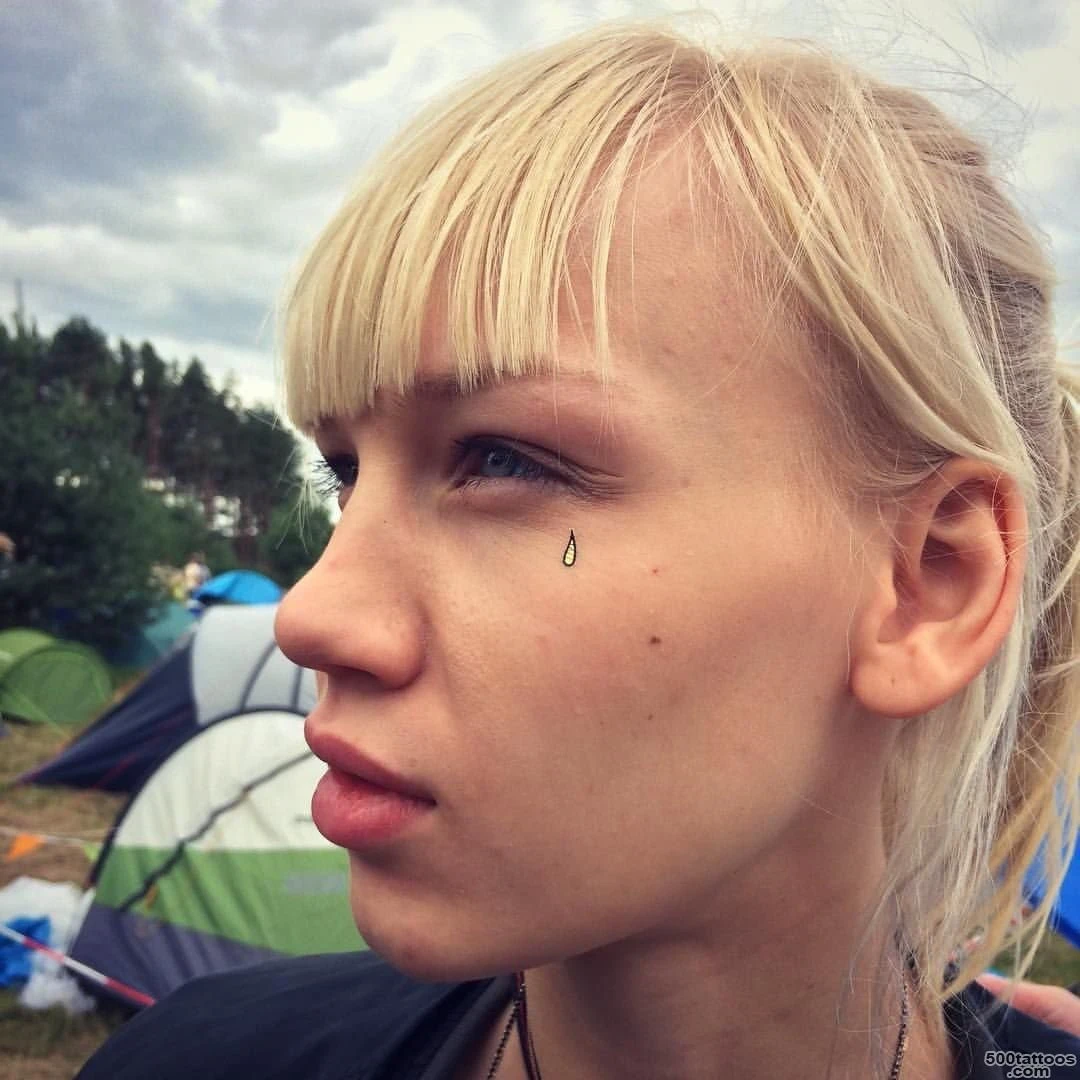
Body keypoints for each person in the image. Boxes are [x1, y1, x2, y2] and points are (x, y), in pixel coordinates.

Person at [78, 17, 1080, 1080]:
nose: (311, 617)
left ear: (932, 585)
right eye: (344, 473)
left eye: (505, 458)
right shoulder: (190, 1059)